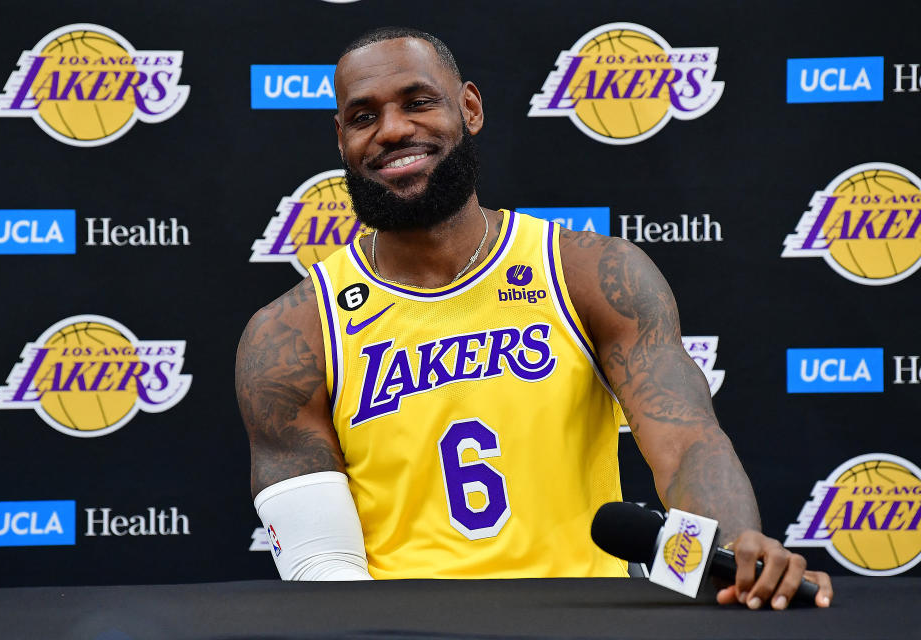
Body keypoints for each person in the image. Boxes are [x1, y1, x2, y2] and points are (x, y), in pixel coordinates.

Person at [235, 27, 833, 609]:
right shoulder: (292, 332)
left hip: (588, 622)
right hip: (409, 629)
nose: (393, 130)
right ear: (340, 138)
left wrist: (729, 552)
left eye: (419, 103)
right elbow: (323, 566)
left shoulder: (586, 272)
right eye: (364, 117)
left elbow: (684, 442)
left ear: (469, 108)